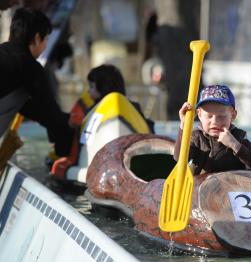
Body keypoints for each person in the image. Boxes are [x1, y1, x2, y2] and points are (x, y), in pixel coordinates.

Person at [0, 7, 73, 156]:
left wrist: (63, 118)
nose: (45, 46)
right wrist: (64, 154)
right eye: (46, 39)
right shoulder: (28, 66)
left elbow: (29, 107)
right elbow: (50, 114)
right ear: (37, 38)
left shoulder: (4, 54)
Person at [174, 85, 251, 175]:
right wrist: (184, 126)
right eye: (209, 116)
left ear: (233, 115)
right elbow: (179, 158)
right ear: (200, 115)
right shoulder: (196, 137)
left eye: (221, 116)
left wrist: (234, 145)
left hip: (232, 187)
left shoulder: (238, 137)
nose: (214, 121)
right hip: (201, 188)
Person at [82, 64, 155, 133]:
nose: (88, 91)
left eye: (91, 86)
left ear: (102, 87)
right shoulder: (133, 108)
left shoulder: (93, 112)